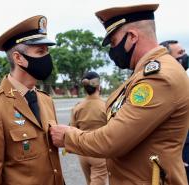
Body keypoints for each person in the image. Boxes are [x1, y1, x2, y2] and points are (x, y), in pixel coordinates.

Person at [50, 4, 189, 185]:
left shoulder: (158, 77)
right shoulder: (141, 75)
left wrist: (68, 136)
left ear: (132, 37)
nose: (112, 51)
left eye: (114, 42)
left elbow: (111, 141)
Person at [0, 15, 64, 185]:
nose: (47, 58)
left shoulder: (45, 100)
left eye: (47, 51)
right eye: (40, 52)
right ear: (18, 58)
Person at [70, 71, 107, 185]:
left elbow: (72, 130)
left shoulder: (77, 107)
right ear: (99, 87)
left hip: (83, 153)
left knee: (89, 182)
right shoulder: (105, 106)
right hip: (99, 152)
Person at [160, 40, 189, 182]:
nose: (185, 56)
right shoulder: (164, 88)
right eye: (180, 53)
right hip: (178, 158)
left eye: (184, 52)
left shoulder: (185, 83)